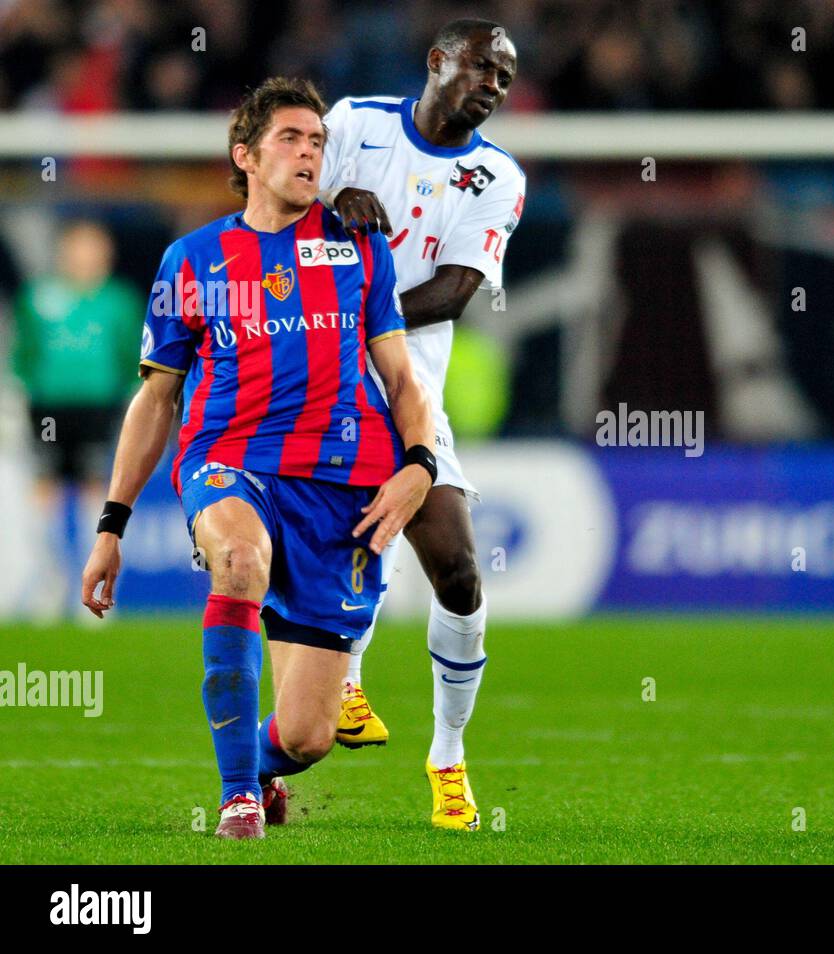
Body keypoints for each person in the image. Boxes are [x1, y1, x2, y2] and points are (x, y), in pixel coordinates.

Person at [79, 77, 438, 839]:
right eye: (291, 139)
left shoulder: (361, 248)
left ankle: (265, 767)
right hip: (230, 462)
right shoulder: (192, 260)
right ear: (244, 155)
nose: (310, 152)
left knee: (309, 736)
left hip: (343, 487)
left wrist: (420, 465)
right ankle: (238, 795)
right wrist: (112, 524)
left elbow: (403, 377)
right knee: (238, 558)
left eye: (318, 141)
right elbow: (155, 400)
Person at [316, 17, 525, 831]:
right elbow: (273, 198)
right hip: (315, 385)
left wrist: (357, 322)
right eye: (483, 68)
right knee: (332, 547)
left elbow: (451, 295)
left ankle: (447, 754)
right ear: (437, 62)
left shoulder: (497, 177)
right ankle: (329, 698)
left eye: (506, 78)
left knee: (461, 575)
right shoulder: (354, 123)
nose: (494, 87)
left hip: (407, 390)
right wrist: (336, 192)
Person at [13, 220, 141, 614]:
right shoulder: (39, 296)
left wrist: (129, 405)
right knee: (43, 494)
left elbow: (131, 358)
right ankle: (49, 583)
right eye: (80, 248)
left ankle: (96, 588)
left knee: (95, 492)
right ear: (64, 252)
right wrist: (22, 395)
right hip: (48, 409)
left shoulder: (119, 301)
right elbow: (24, 356)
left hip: (97, 408)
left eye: (95, 248)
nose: (87, 257)